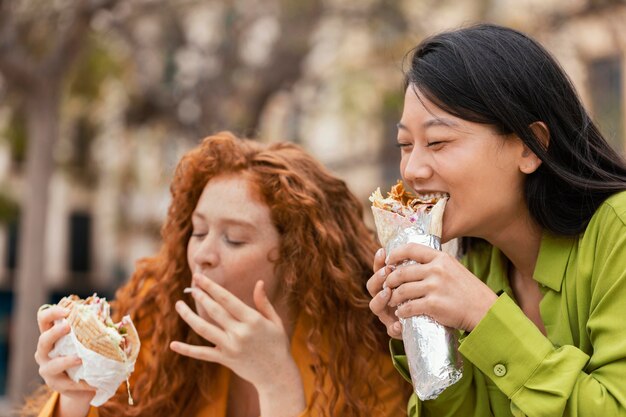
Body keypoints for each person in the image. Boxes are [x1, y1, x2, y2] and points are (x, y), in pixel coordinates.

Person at [30, 131, 410, 417]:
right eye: (198, 232)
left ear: (296, 259)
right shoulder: (155, 326)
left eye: (234, 239)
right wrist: (74, 399)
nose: (203, 255)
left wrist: (278, 382)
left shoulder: (366, 360)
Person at [367, 23, 626, 417]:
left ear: (530, 146)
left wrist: (486, 317)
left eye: (437, 142)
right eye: (405, 145)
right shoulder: (477, 265)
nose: (412, 170)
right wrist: (427, 338)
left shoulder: (618, 236)